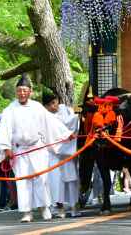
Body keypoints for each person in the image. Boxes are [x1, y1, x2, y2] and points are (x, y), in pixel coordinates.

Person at [0, 74, 75, 223]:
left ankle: (44, 207)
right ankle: (27, 212)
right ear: (16, 92)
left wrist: (66, 134)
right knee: (23, 181)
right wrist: (6, 149)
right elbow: (4, 130)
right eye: (19, 90)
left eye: (25, 90)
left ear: (30, 91)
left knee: (41, 178)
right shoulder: (10, 110)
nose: (22, 93)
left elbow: (51, 123)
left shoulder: (37, 107)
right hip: (20, 150)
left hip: (37, 148)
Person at [43, 90, 81, 218]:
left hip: (68, 152)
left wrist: (78, 116)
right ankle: (60, 207)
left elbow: (73, 122)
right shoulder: (44, 116)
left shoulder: (67, 110)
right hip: (53, 153)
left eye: (55, 102)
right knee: (55, 181)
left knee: (71, 180)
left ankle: (74, 206)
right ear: (45, 106)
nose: (54, 106)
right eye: (50, 104)